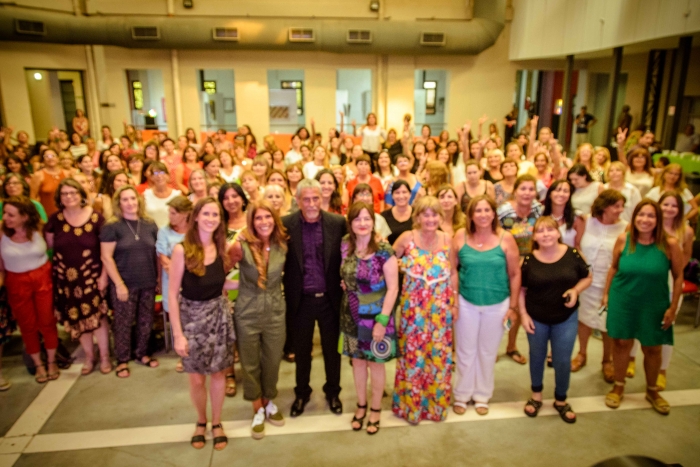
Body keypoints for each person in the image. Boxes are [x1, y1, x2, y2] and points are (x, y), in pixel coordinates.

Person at [603, 200, 683, 415]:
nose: (645, 220)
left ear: (657, 220)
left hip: (654, 302)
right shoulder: (623, 240)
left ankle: (652, 390)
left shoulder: (670, 244)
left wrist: (673, 307)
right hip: (623, 300)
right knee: (621, 343)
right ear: (634, 217)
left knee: (653, 347)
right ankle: (618, 386)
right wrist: (606, 295)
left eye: (650, 216)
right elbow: (613, 268)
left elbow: (678, 277)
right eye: (641, 215)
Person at [169, 197, 237, 451]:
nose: (210, 219)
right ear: (196, 216)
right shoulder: (181, 250)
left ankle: (217, 422)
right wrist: (178, 333)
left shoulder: (222, 247)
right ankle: (201, 420)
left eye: (215, 215)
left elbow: (220, 283)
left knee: (219, 373)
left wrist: (249, 285)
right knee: (197, 379)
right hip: (191, 320)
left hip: (218, 316)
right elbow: (172, 294)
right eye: (206, 213)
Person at [450, 195, 520, 416]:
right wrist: (453, 301)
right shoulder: (460, 236)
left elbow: (515, 273)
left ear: (494, 213)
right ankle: (461, 394)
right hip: (466, 302)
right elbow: (452, 271)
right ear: (470, 215)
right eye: (478, 211)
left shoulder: (506, 238)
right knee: (465, 351)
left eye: (487, 210)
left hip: (497, 304)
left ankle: (482, 395)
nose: (482, 215)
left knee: (487, 352)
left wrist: (514, 306)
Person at [282, 178, 347, 417]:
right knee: (302, 352)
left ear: (322, 199)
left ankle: (333, 391)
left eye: (315, 198)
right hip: (301, 300)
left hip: (330, 299)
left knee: (333, 351)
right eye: (306, 199)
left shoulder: (338, 223)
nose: (311, 204)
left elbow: (351, 251)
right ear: (298, 200)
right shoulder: (286, 224)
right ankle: (302, 393)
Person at [520, 217, 592, 423]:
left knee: (562, 359)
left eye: (549, 230)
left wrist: (575, 290)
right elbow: (522, 290)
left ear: (558, 232)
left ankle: (561, 399)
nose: (545, 234)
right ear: (534, 237)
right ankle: (536, 396)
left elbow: (588, 276)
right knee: (536, 356)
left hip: (565, 318)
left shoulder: (573, 255)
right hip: (536, 317)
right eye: (540, 231)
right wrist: (524, 315)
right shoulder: (528, 260)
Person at [228, 200, 288, 439]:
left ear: (274, 219)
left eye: (268, 217)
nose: (264, 222)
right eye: (258, 218)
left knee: (272, 360)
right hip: (247, 311)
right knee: (250, 363)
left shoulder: (282, 244)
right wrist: (234, 287)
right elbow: (218, 269)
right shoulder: (240, 245)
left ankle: (268, 400)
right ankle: (257, 409)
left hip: (275, 310)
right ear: (251, 221)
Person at [392, 196, 453, 424]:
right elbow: (385, 259)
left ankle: (435, 407)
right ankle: (412, 407)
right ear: (417, 217)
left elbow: (454, 272)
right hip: (413, 312)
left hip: (440, 311)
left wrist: (454, 303)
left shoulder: (448, 239)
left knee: (437, 358)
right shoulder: (407, 238)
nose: (430, 219)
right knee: (413, 358)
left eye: (434, 214)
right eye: (425, 214)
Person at [340, 201, 399, 434]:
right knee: (357, 362)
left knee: (376, 363)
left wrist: (382, 321)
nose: (362, 223)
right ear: (351, 223)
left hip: (377, 316)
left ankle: (375, 409)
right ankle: (361, 405)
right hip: (351, 315)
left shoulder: (385, 250)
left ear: (373, 222)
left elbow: (393, 288)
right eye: (357, 219)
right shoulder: (345, 245)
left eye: (367, 218)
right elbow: (344, 273)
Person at [627, 192, 694, 390]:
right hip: (641, 284)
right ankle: (631, 358)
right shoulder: (645, 226)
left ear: (680, 209)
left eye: (674, 205)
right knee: (634, 324)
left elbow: (684, 260)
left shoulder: (685, 231)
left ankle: (662, 370)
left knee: (663, 328)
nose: (669, 209)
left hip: (669, 285)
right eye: (665, 204)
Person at [45, 179, 110, 376]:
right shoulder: (55, 220)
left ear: (81, 195)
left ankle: (106, 356)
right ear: (59, 198)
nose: (69, 197)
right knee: (78, 319)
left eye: (73, 192)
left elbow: (106, 252)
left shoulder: (96, 218)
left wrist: (104, 277)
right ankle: (90, 357)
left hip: (92, 277)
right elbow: (48, 248)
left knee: (98, 318)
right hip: (67, 280)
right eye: (64, 194)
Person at [100, 186, 160, 378]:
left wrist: (158, 278)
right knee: (123, 323)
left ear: (139, 200)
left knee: (146, 320)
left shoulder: (149, 224)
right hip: (124, 282)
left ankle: (141, 353)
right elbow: (106, 258)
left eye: (133, 199)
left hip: (148, 280)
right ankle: (122, 359)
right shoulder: (112, 226)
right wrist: (118, 284)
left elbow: (157, 254)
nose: (130, 203)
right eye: (125, 200)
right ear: (119, 203)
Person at [0, 196, 59, 383]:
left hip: (42, 276)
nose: (5, 217)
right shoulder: (1, 232)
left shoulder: (40, 228)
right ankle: (38, 364)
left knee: (47, 321)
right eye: (5, 213)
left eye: (11, 214)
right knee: (27, 325)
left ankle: (51, 361)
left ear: (25, 216)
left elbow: (52, 248)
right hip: (16, 281)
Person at [572, 190, 627, 381]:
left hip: (611, 282)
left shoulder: (625, 228)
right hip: (586, 280)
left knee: (606, 324)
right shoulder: (586, 221)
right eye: (616, 206)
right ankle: (582, 353)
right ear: (604, 206)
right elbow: (576, 245)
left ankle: (607, 360)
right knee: (584, 318)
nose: (621, 210)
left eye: (622, 206)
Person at [497, 174, 543, 364]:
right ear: (515, 191)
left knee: (519, 306)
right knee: (504, 307)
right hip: (506, 266)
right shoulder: (504, 212)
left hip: (532, 266)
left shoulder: (539, 211)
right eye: (523, 189)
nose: (527, 193)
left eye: (531, 189)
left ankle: (512, 346)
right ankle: (494, 347)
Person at [156, 196, 193, 372]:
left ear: (185, 214)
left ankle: (194, 351)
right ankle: (182, 354)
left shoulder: (194, 230)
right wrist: (177, 272)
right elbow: (163, 256)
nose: (169, 216)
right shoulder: (164, 231)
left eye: (173, 213)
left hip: (193, 279)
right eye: (169, 212)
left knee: (192, 316)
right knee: (177, 315)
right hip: (172, 281)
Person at [542, 180, 584, 248]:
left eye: (565, 191)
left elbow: (578, 245)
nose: (561, 194)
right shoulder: (541, 214)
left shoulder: (577, 218)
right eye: (558, 190)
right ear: (550, 194)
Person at [143, 162, 182, 228]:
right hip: (151, 232)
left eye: (162, 172)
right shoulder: (145, 195)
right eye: (156, 173)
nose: (159, 176)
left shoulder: (177, 195)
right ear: (151, 177)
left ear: (167, 175)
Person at [30, 149, 67, 217]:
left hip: (67, 213)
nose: (50, 158)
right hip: (46, 214)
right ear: (43, 160)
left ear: (58, 158)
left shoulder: (66, 173)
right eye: (47, 156)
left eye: (53, 155)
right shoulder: (38, 175)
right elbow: (33, 197)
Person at [381, 180, 414, 246]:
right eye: (397, 193)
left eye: (404, 192)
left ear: (410, 194)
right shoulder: (384, 216)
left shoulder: (417, 214)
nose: (401, 196)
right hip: (391, 253)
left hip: (416, 254)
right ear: (392, 196)